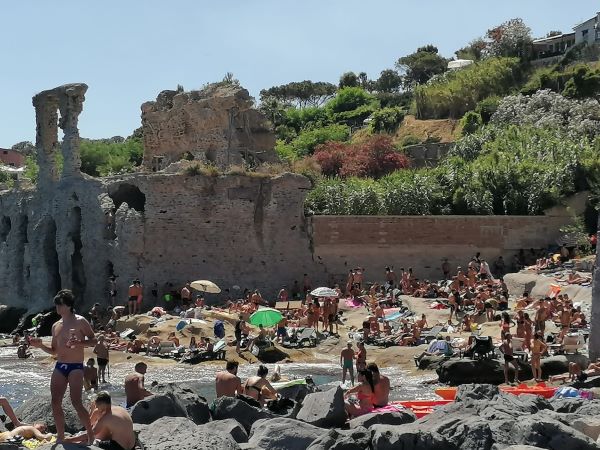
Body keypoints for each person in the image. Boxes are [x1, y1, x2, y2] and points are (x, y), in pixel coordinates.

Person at [29, 289, 96, 444]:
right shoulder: (55, 325)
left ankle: (91, 435)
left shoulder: (80, 321)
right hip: (60, 365)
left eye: (59, 304)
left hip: (76, 366)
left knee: (76, 402)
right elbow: (54, 351)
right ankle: (60, 436)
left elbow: (94, 340)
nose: (57, 308)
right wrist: (40, 346)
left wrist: (79, 343)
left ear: (68, 305)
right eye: (56, 304)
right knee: (55, 401)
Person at [66, 391, 135, 450]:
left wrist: (69, 440)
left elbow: (90, 434)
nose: (97, 408)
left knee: (84, 443)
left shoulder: (106, 418)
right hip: (132, 445)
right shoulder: (121, 409)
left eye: (97, 406)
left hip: (119, 447)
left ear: (102, 404)